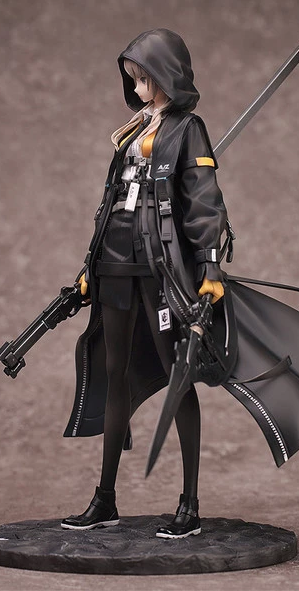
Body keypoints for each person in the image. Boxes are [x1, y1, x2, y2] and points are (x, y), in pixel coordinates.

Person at [60, 29, 228, 539]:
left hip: (161, 268)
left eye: (144, 79)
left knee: (180, 378)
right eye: (132, 80)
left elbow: (203, 202)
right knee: (115, 374)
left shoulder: (188, 129)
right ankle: (104, 499)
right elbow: (110, 201)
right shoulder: (134, 128)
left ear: (166, 75)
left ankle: (189, 503)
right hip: (114, 262)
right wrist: (89, 266)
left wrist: (210, 267)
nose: (136, 89)